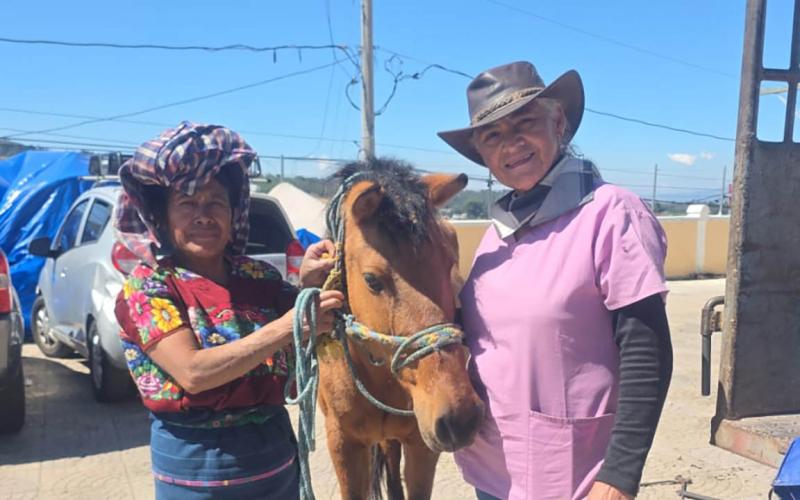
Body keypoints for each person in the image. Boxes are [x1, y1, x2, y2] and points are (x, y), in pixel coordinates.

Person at [437, 62, 673, 499]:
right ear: (483, 155)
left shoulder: (611, 213)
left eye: (525, 122)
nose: (512, 144)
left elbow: (647, 351)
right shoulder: (498, 232)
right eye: (493, 136)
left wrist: (620, 474)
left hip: (575, 474)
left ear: (558, 122)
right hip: (493, 469)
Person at [113, 122, 343, 499]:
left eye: (216, 202)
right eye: (187, 203)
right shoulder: (150, 286)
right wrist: (285, 329)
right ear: (163, 217)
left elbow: (306, 322)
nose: (203, 215)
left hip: (275, 462)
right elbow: (193, 372)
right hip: (198, 472)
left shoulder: (258, 276)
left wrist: (311, 282)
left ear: (234, 212)